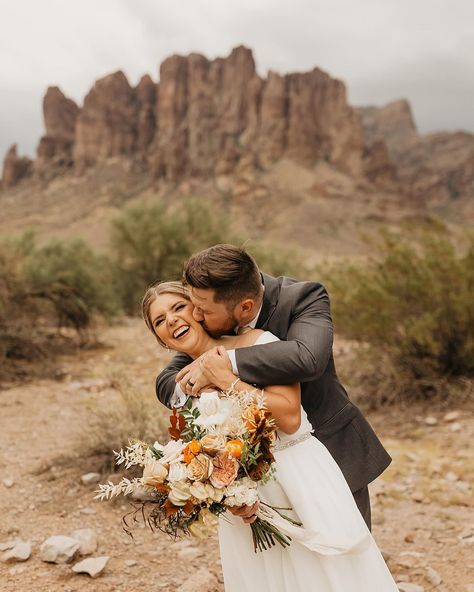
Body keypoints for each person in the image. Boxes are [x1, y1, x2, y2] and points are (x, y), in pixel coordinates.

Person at [143, 280, 398, 591]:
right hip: (249, 505)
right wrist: (227, 493)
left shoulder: (259, 341)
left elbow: (289, 418)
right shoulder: (181, 382)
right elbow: (210, 446)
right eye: (159, 320)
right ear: (160, 338)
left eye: (178, 307)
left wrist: (226, 381)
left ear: (199, 310)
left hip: (300, 478)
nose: (170, 319)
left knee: (328, 576)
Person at [155, 244, 392, 529]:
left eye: (202, 311)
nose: (196, 316)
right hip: (260, 477)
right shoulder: (214, 306)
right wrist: (199, 385)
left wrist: (224, 364)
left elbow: (308, 357)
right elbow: (169, 381)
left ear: (245, 308)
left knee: (342, 553)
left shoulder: (303, 298)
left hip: (328, 449)